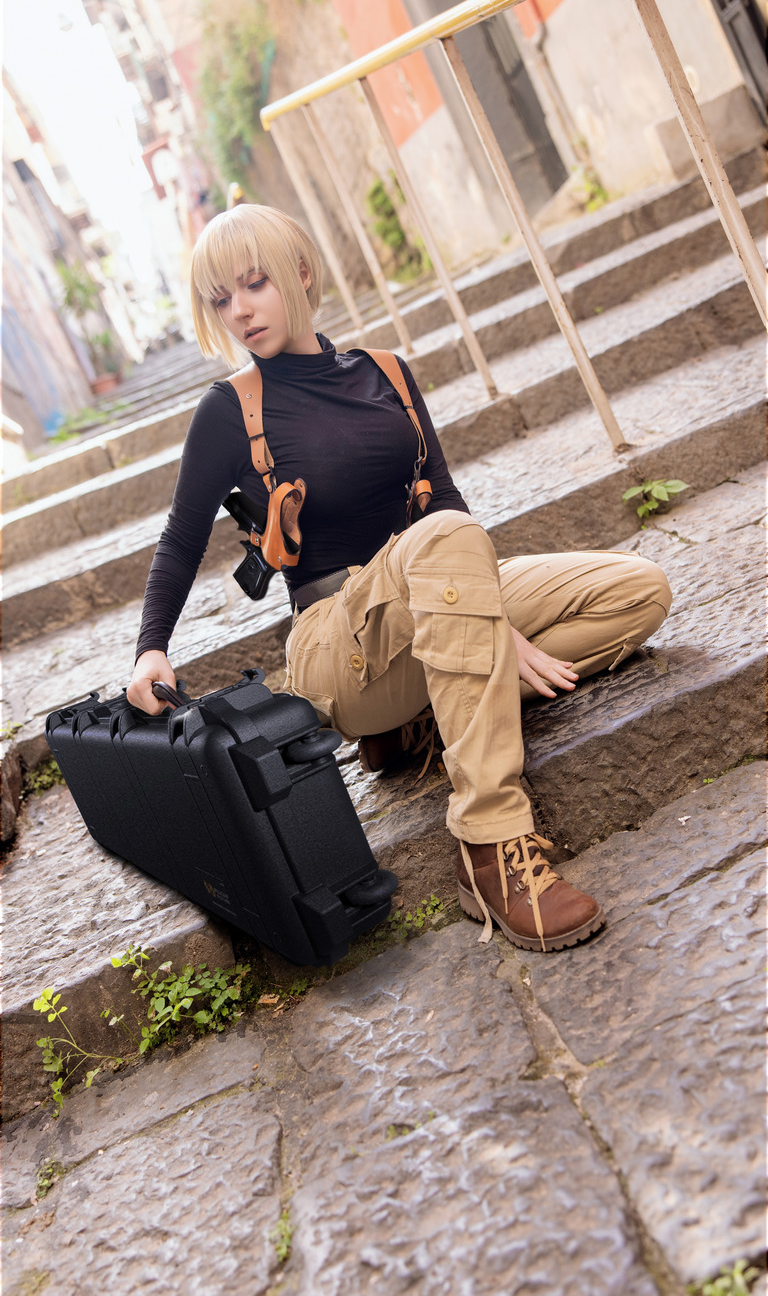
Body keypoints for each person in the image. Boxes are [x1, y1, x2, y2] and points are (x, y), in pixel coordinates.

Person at [128, 204, 672, 954]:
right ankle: (492, 845)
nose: (240, 309)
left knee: (637, 589)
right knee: (446, 540)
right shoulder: (229, 410)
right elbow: (180, 538)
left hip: (437, 588)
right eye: (221, 298)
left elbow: (443, 498)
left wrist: (493, 623)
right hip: (337, 637)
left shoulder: (385, 371)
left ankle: (424, 714)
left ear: (303, 273)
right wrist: (150, 648)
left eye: (254, 283)